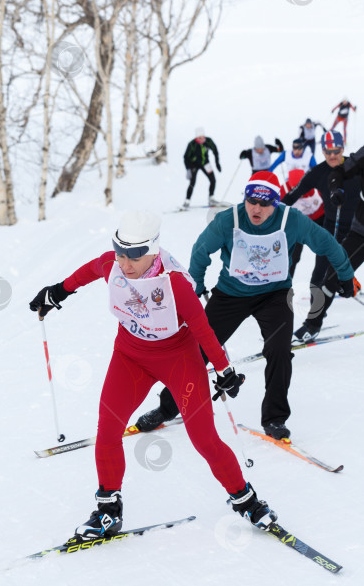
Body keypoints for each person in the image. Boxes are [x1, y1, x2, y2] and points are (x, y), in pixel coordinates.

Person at [29, 211, 277, 539]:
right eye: (120, 252)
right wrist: (57, 292)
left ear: (153, 251)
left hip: (179, 360)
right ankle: (108, 511)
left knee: (204, 440)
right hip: (130, 357)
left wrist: (224, 370)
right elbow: (91, 269)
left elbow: (203, 330)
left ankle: (246, 500)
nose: (125, 262)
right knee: (107, 429)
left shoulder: (174, 284)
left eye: (134, 254)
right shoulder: (114, 267)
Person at [135, 172, 354, 441]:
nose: (256, 209)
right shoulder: (229, 220)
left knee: (279, 351)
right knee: (195, 349)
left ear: (276, 203)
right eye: (252, 201)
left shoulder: (291, 220)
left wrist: (345, 275)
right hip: (231, 294)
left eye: (264, 203)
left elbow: (328, 245)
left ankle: (275, 419)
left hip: (275, 295)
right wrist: (197, 285)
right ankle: (167, 408)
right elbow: (201, 250)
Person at [282, 131, 362, 342]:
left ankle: (348, 282)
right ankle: (313, 322)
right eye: (328, 151)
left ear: (342, 149)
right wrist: (270, 210)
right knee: (320, 279)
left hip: (351, 229)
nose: (333, 155)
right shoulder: (319, 172)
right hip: (332, 232)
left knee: (335, 277)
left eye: (336, 151)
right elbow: (293, 194)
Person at [308, 145, 364, 328]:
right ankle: (313, 323)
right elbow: (338, 173)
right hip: (361, 230)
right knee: (334, 274)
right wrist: (335, 189)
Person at [279, 169, 324, 277]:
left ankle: (331, 283)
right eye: (294, 187)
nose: (297, 191)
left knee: (326, 252)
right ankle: (285, 284)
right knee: (293, 256)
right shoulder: (283, 189)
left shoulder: (314, 188)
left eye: (299, 187)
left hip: (317, 219)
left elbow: (324, 207)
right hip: (295, 224)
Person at [183, 127, 221, 208]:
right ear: (196, 138)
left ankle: (211, 198)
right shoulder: (192, 144)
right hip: (194, 164)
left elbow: (215, 151)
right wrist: (188, 169)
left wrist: (217, 163)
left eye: (203, 137)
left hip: (205, 163)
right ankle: (187, 201)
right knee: (192, 182)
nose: (202, 139)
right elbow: (186, 157)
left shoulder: (208, 141)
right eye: (200, 138)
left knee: (213, 180)